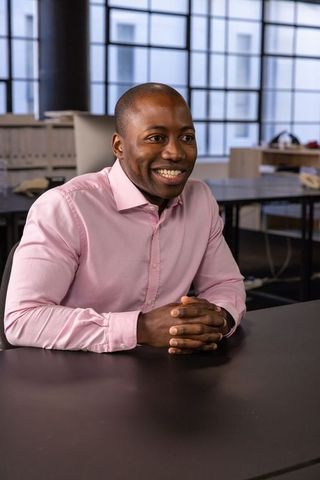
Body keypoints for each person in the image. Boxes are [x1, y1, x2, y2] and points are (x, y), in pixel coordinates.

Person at [5, 83, 246, 354]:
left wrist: (218, 318)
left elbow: (225, 283)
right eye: (156, 138)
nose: (176, 153)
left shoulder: (200, 199)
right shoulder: (66, 207)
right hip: (76, 377)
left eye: (187, 138)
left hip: (169, 369)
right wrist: (140, 329)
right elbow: (22, 319)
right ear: (119, 146)